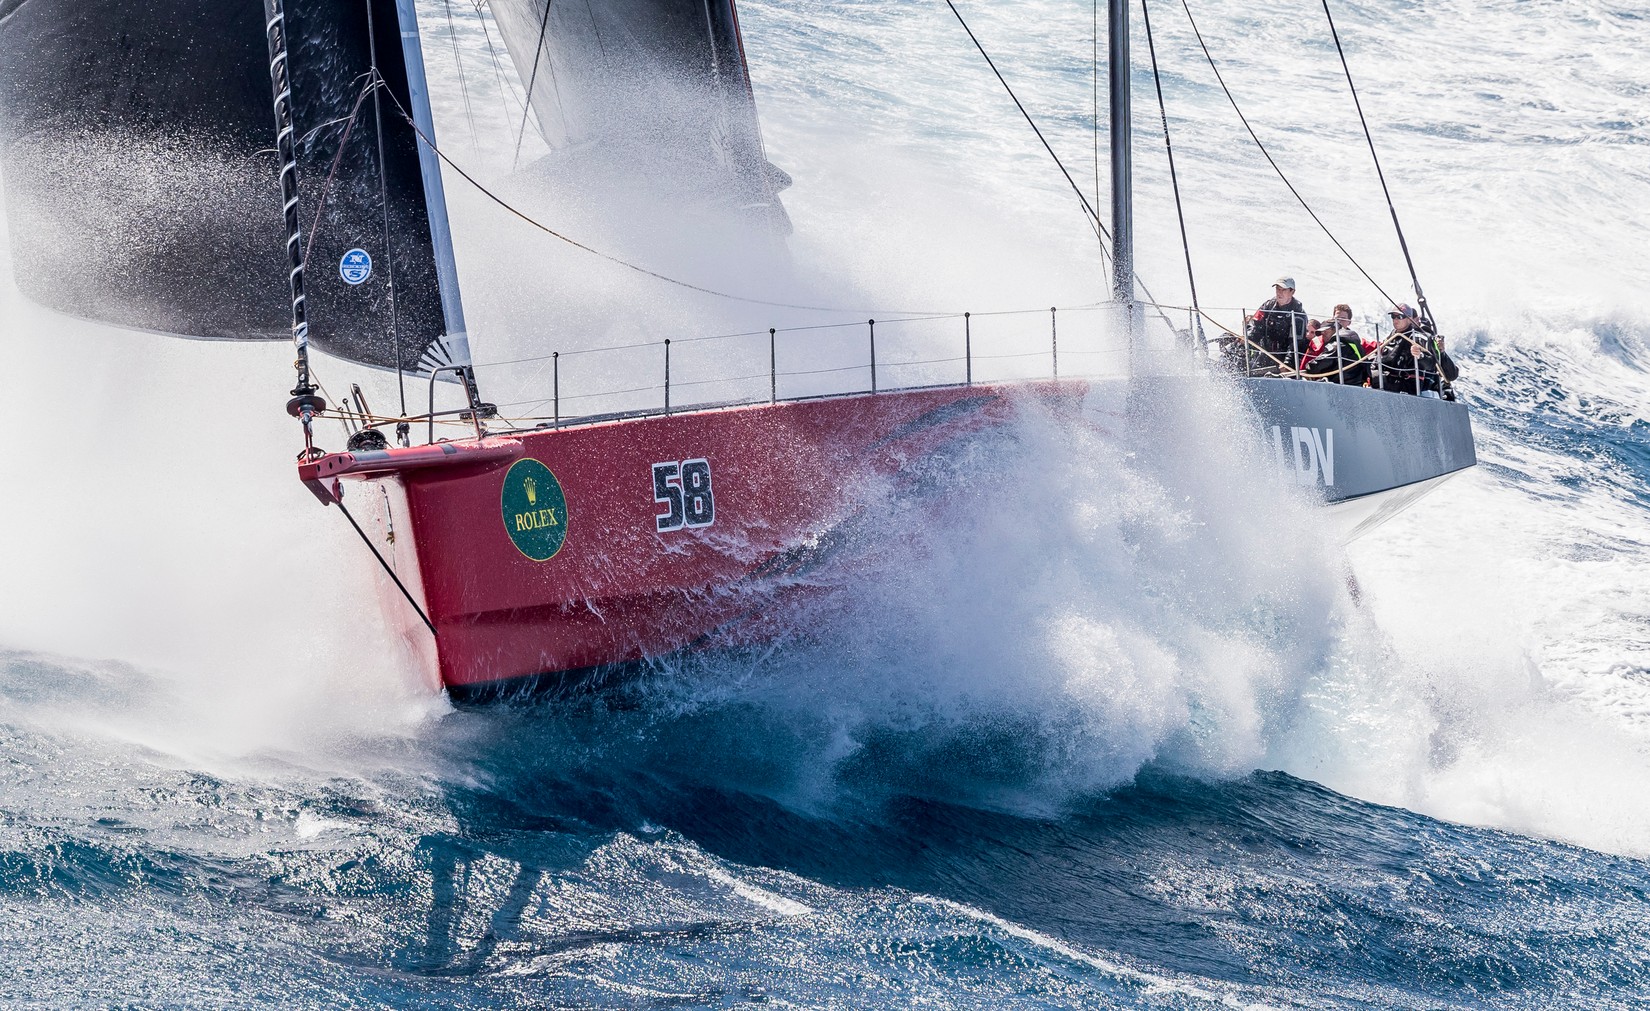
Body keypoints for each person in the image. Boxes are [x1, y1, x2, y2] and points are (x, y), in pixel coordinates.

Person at [1375, 304, 1458, 396]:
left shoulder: (1421, 338)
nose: (1395, 319)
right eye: (1393, 316)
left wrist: (1421, 356)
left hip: (1412, 385)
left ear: (1410, 319)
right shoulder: (1392, 336)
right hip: (1391, 378)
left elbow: (1432, 364)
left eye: (1399, 317)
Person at [1245, 276, 1309, 374]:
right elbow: (1255, 326)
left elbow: (1296, 343)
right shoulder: (1268, 306)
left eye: (1283, 290)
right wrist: (1246, 339)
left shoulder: (1298, 314)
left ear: (1292, 292)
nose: (1279, 292)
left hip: (1284, 360)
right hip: (1265, 354)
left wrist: (1287, 363)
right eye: (1278, 289)